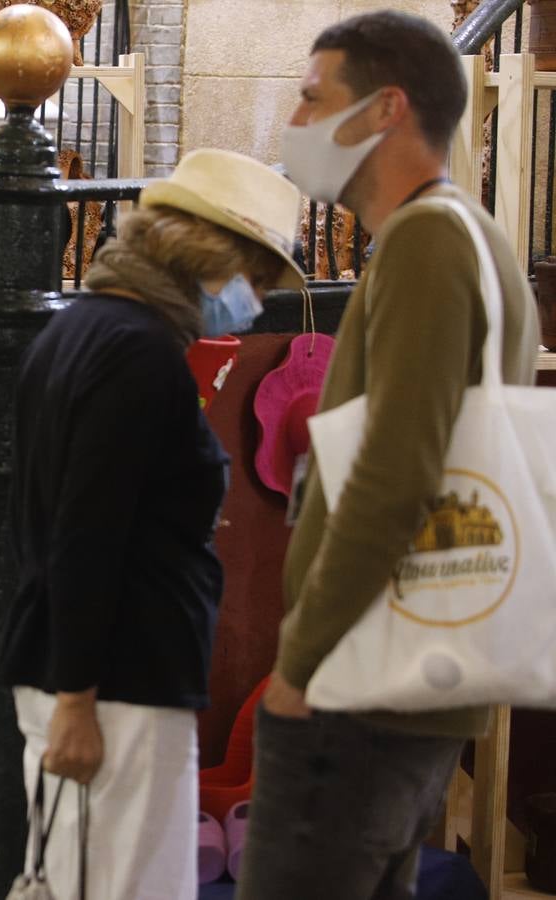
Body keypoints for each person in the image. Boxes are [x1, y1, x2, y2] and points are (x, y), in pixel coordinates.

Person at [239, 12, 538, 900]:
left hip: (363, 677)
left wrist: (301, 661)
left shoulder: (428, 241)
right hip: (406, 667)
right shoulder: (466, 237)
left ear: (384, 110)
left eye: (311, 98)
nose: (294, 123)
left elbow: (395, 473)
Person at [0, 148, 304, 899]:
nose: (255, 303)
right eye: (254, 279)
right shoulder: (138, 354)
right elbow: (88, 531)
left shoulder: (80, 332)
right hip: (116, 685)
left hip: (97, 674)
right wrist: (79, 698)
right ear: (207, 256)